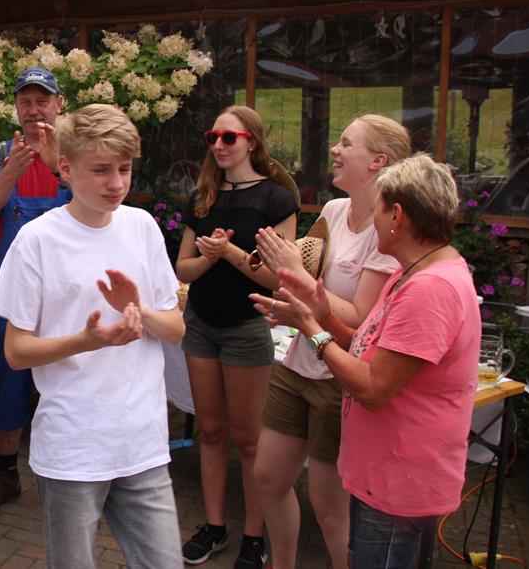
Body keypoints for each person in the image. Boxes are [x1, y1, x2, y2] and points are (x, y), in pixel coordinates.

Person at [251, 154, 479, 569]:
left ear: (398, 215)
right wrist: (323, 314)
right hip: (383, 475)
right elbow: (365, 345)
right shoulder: (412, 272)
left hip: (397, 482)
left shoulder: (430, 289)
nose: (372, 218)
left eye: (378, 207)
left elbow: (373, 388)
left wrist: (310, 327)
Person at [0, 104, 186, 569]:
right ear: (66, 167)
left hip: (143, 443)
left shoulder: (142, 227)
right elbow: (15, 352)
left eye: (125, 168)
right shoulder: (37, 240)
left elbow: (175, 330)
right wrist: (87, 340)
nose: (116, 182)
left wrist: (138, 311)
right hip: (73, 448)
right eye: (101, 170)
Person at [250, 114, 411, 569]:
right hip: (299, 363)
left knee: (328, 505)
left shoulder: (387, 229)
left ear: (378, 161)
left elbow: (359, 319)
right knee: (268, 477)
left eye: (346, 143)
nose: (335, 151)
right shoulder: (333, 211)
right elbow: (310, 283)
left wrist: (296, 276)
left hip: (339, 376)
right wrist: (285, 297)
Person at [176, 105, 299, 568]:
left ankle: (253, 536)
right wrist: (209, 258)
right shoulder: (203, 197)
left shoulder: (276, 199)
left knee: (249, 440)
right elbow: (183, 268)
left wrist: (229, 252)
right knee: (210, 431)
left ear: (252, 142)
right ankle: (214, 527)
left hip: (247, 327)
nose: (219, 145)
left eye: (229, 137)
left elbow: (281, 280)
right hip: (201, 325)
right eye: (213, 137)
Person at [0, 67, 69, 517]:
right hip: (11, 288)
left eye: (42, 100)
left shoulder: (75, 149)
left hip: (67, 290)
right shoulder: (1, 152)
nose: (34, 110)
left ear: (59, 104)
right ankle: (7, 473)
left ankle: (68, 479)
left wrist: (56, 166)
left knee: (68, 384)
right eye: (25, 102)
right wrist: (11, 172)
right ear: (16, 107)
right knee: (8, 381)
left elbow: (97, 203)